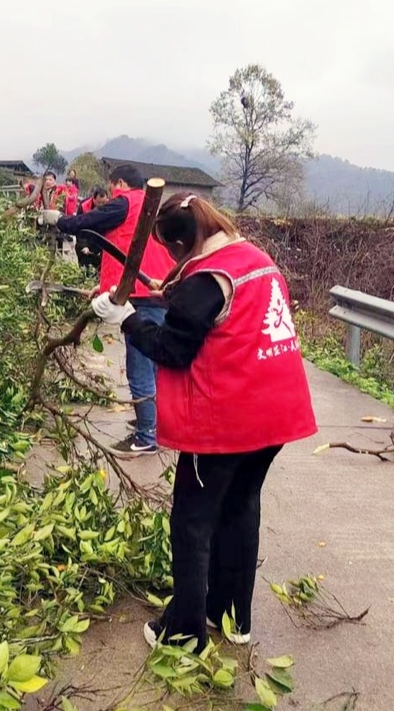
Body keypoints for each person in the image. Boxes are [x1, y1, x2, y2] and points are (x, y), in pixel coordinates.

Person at [90, 193, 317, 652]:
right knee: (239, 509)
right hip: (275, 415)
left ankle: (184, 633)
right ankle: (232, 616)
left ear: (182, 242)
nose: (173, 259)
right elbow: (205, 303)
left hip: (228, 421)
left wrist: (128, 320)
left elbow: (172, 349)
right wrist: (167, 288)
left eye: (173, 251)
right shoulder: (253, 258)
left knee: (192, 522)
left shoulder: (205, 281)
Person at [40, 164, 175, 455]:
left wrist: (60, 220)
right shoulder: (153, 209)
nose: (111, 192)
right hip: (158, 291)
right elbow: (127, 250)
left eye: (113, 185)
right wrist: (103, 289)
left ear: (122, 183)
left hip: (139, 296)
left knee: (139, 366)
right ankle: (153, 423)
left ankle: (146, 437)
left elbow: (87, 221)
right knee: (153, 365)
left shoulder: (126, 202)